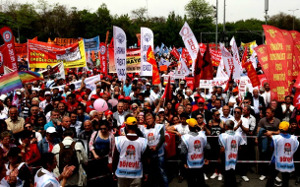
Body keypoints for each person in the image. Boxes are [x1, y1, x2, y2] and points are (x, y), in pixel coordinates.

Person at [112, 117, 149, 187]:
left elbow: (115, 158)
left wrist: (113, 171)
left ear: (126, 126)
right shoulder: (143, 141)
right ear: (137, 127)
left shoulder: (119, 140)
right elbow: (145, 159)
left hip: (121, 174)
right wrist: (146, 173)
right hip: (136, 174)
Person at [266, 121, 299, 187]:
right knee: (286, 180)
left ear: (279, 128)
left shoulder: (275, 138)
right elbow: (295, 148)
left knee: (271, 178)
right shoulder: (294, 138)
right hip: (287, 161)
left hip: (276, 161)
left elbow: (271, 148)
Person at [180, 118, 207, 187]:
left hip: (190, 164)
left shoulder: (185, 137)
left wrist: (184, 162)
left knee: (191, 182)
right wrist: (206, 158)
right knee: (200, 181)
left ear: (189, 127)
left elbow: (183, 152)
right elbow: (208, 147)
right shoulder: (202, 136)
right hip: (200, 163)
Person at [219, 120, 246, 187]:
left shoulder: (222, 136)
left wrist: (219, 157)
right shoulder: (238, 135)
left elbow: (222, 149)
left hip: (225, 157)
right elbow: (240, 147)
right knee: (233, 172)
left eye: (225, 125)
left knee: (226, 173)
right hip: (234, 156)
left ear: (227, 127)